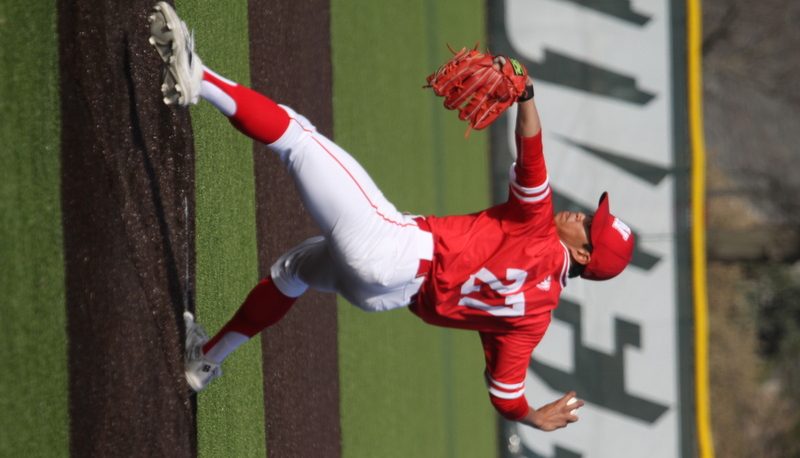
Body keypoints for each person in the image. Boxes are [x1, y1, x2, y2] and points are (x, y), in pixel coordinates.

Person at [149, 2, 634, 432]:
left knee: (297, 136)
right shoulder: (534, 320)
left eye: (590, 225)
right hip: (386, 294)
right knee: (294, 271)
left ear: (583, 252)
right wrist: (532, 417)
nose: (582, 215)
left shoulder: (537, 226)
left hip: (396, 249)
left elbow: (531, 152)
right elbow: (506, 396)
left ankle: (199, 78)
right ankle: (204, 362)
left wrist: (525, 94)